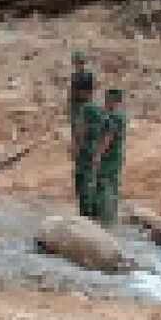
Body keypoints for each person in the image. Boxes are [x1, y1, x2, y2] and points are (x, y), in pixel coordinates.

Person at [70, 75, 104, 216]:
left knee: (83, 187)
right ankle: (94, 215)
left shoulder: (85, 109)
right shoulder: (99, 109)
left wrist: (75, 149)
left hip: (85, 153)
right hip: (94, 151)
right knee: (91, 184)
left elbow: (81, 131)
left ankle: (86, 217)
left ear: (82, 91)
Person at [93, 89, 128, 226]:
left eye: (108, 99)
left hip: (109, 156)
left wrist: (98, 155)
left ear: (114, 101)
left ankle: (104, 217)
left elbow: (108, 137)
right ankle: (112, 214)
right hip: (117, 154)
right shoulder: (121, 116)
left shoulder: (113, 117)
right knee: (113, 183)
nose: (105, 102)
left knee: (103, 183)